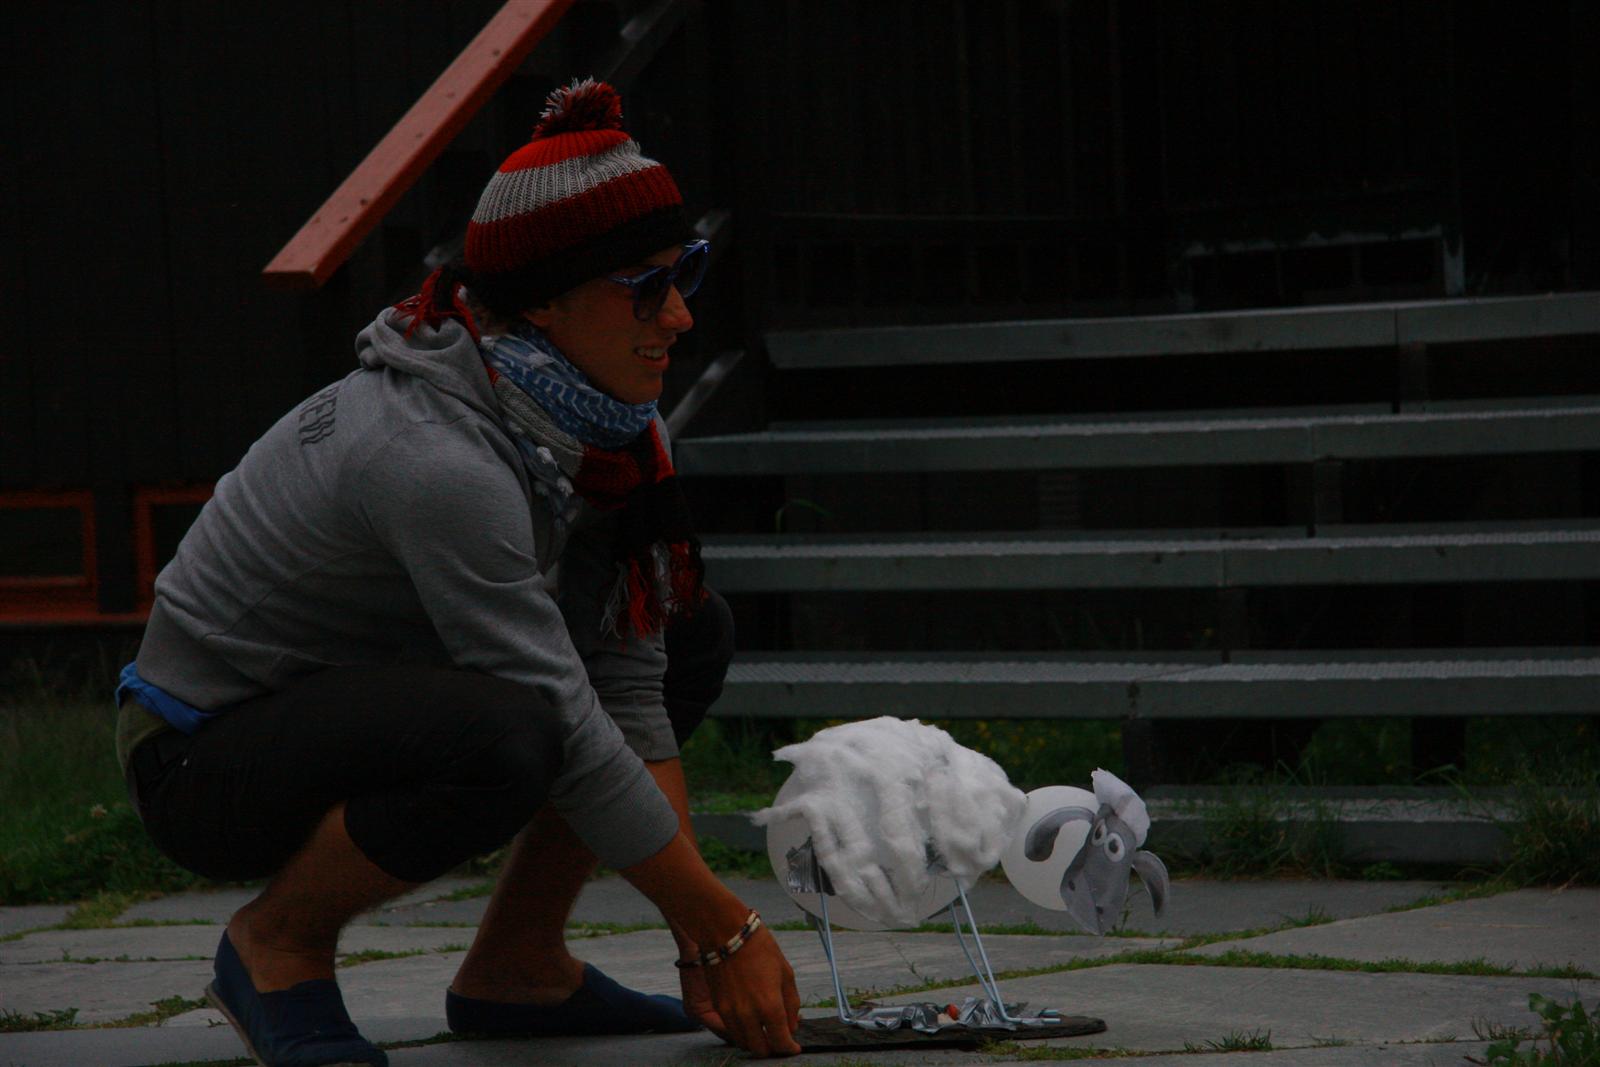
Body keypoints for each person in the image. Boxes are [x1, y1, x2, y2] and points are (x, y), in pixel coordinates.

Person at [113, 78, 802, 1065]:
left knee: (687, 631)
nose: (682, 314)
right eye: (646, 285)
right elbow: (556, 706)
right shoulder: (434, 454)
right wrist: (727, 926)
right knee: (510, 731)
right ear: (543, 302)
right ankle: (278, 945)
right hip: (201, 752)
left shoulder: (609, 421)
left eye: (683, 271)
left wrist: (700, 937)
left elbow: (628, 685)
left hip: (364, 697)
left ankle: (518, 966)